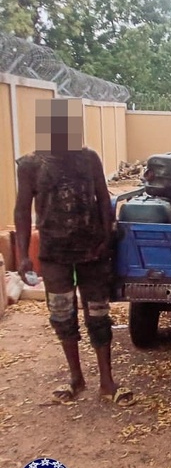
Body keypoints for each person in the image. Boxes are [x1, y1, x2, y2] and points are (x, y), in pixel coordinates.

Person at [14, 98, 133, 406]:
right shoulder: (30, 165)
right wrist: (23, 254)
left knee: (98, 314)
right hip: (54, 253)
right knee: (62, 314)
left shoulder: (88, 159)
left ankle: (107, 381)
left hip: (92, 250)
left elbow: (103, 199)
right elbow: (22, 211)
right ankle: (76, 378)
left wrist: (106, 238)